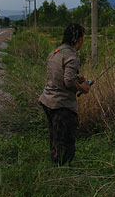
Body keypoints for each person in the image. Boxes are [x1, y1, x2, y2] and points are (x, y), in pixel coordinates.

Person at [38, 23, 91, 165]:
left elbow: (58, 76)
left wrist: (76, 78)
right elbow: (68, 82)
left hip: (47, 100)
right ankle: (63, 172)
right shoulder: (72, 57)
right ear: (79, 40)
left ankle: (55, 166)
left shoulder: (55, 52)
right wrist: (83, 88)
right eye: (83, 39)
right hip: (62, 105)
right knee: (65, 141)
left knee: (55, 137)